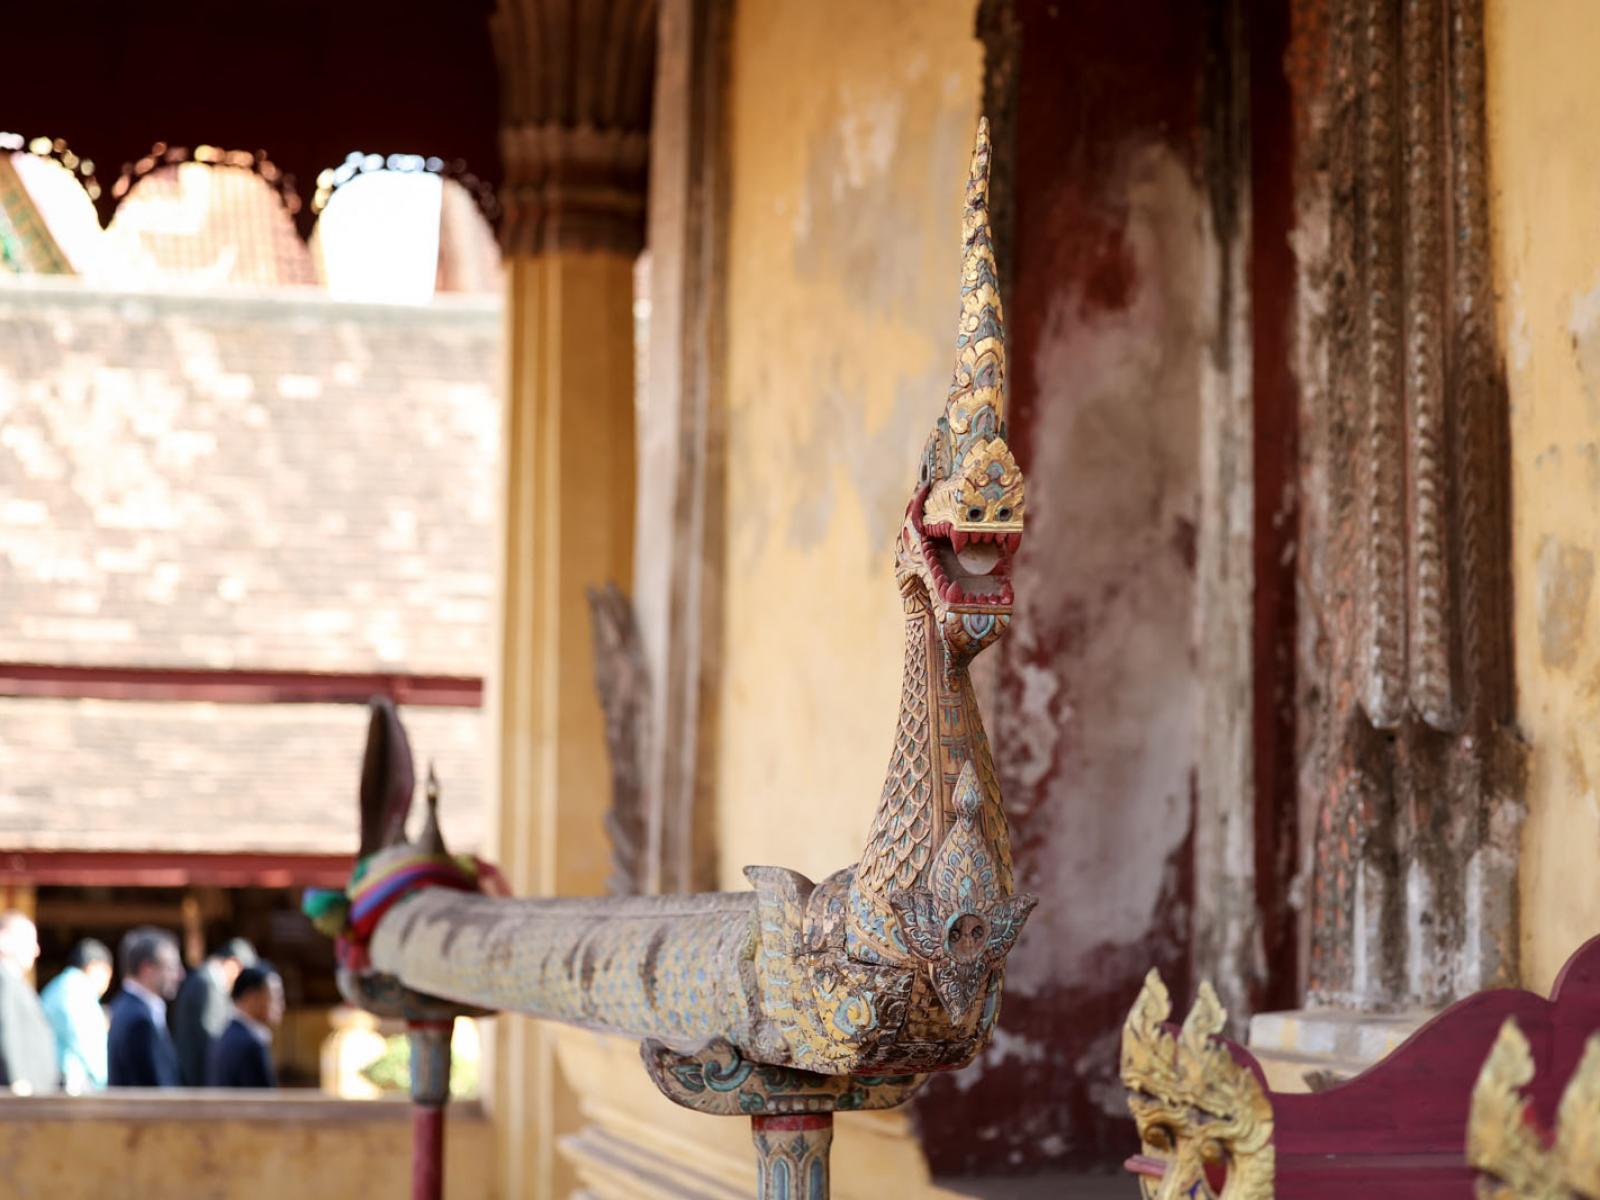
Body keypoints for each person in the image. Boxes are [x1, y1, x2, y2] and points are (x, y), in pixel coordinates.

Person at [169, 937, 256, 1087]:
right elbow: (210, 1036)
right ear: (234, 964)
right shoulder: (207, 983)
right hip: (198, 1075)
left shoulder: (207, 980)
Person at [107, 927, 183, 1088]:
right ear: (147, 969)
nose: (180, 975)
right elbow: (156, 1087)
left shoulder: (125, 1007)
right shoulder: (138, 1019)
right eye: (171, 967)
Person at [39, 938, 112, 1093]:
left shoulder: (60, 985)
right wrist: (104, 1078)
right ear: (94, 967)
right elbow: (85, 1040)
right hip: (71, 1081)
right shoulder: (77, 989)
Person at [0, 912, 59, 1094]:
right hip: (20, 1094)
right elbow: (5, 1027)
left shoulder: (15, 981)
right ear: (4, 941)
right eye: (28, 941)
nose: (36, 950)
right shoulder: (3, 979)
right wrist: (16, 1078)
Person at [205, 964, 282, 1089]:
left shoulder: (226, 1035)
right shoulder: (249, 1044)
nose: (280, 1003)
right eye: (275, 996)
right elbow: (264, 1102)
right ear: (251, 997)